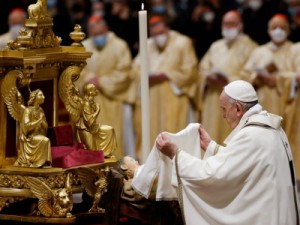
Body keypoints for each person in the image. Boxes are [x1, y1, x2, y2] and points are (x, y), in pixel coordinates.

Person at [156, 80, 298, 225]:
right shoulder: (270, 126)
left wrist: (175, 154)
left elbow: (213, 174)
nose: (223, 116)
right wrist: (211, 147)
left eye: (224, 109)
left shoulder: (252, 135)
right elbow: (242, 163)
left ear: (237, 108)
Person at [132, 16, 198, 158]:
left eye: (161, 33)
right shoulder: (147, 44)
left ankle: (177, 167)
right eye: (155, 34)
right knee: (150, 134)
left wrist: (168, 75)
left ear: (167, 29)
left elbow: (191, 70)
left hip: (174, 97)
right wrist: (146, 76)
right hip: (151, 98)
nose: (158, 37)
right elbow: (135, 69)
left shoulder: (183, 42)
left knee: (174, 133)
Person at [75, 15, 135, 159]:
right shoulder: (84, 47)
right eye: (94, 34)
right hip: (90, 102)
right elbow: (76, 72)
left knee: (115, 135)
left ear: (107, 29)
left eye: (101, 33)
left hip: (114, 100)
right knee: (91, 138)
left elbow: (125, 72)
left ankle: (118, 168)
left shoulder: (120, 46)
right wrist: (89, 80)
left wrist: (101, 82)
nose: (98, 37)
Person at [199, 10, 257, 144]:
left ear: (240, 26)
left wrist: (228, 81)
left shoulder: (251, 47)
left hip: (236, 103)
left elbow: (251, 75)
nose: (228, 27)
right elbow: (202, 68)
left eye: (232, 23)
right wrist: (207, 78)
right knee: (211, 136)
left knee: (234, 140)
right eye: (225, 23)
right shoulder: (215, 46)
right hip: (213, 98)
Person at [241, 14, 294, 117]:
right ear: (269, 30)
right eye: (274, 27)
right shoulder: (258, 51)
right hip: (261, 105)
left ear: (288, 30)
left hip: (285, 105)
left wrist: (277, 79)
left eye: (282, 28)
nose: (278, 31)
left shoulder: (295, 50)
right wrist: (255, 78)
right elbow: (244, 75)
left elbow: (296, 76)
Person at [75, 83, 117, 157]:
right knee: (92, 153)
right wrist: (97, 110)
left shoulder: (91, 102)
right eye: (95, 89)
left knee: (110, 130)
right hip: (86, 130)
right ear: (90, 92)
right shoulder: (86, 104)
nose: (97, 91)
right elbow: (89, 122)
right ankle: (102, 153)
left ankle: (106, 153)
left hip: (92, 128)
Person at [15, 89, 52, 168]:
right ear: (34, 97)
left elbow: (45, 127)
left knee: (46, 139)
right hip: (30, 137)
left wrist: (43, 123)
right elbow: (26, 127)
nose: (43, 97)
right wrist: (39, 121)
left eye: (43, 95)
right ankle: (38, 163)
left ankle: (44, 163)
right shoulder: (28, 110)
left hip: (39, 135)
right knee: (46, 140)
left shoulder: (41, 110)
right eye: (41, 95)